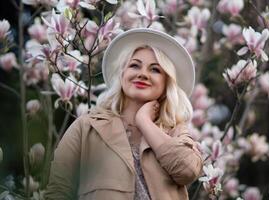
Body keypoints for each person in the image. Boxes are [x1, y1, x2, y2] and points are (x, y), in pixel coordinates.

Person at [44, 28, 203, 200]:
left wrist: (144, 122)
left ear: (166, 85)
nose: (142, 74)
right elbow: (58, 190)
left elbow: (187, 171)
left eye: (155, 69)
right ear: (122, 75)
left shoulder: (176, 132)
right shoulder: (87, 127)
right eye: (135, 65)